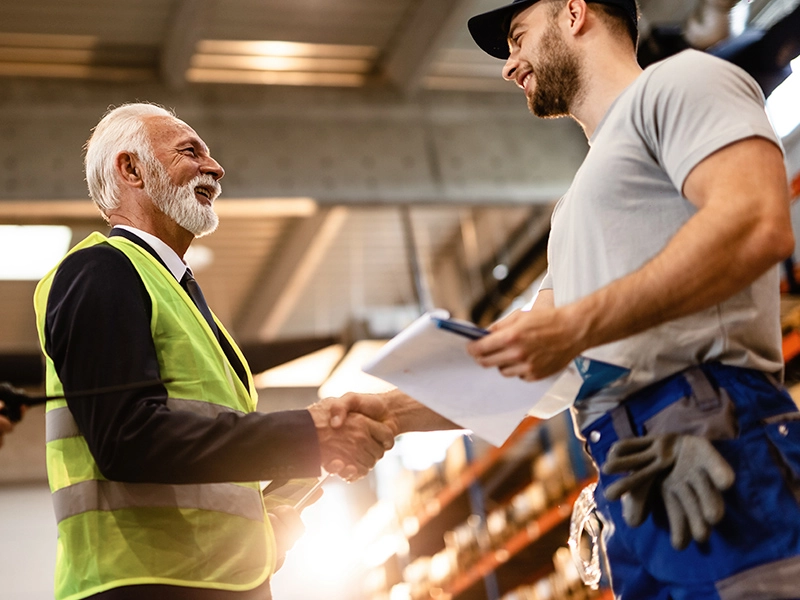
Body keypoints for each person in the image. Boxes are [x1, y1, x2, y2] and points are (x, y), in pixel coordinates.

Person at [464, 0, 800, 598]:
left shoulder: (679, 82)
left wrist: (576, 328)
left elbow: (754, 221)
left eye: (517, 38)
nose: (509, 65)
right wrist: (382, 412)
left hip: (714, 438)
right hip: (633, 477)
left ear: (572, 12)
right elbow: (534, 360)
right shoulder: (573, 209)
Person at [33, 103, 397, 600]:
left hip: (214, 582)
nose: (216, 167)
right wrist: (306, 434)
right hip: (143, 584)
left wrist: (266, 525)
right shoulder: (101, 270)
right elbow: (128, 438)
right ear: (131, 169)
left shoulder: (175, 292)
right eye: (190, 151)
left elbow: (199, 464)